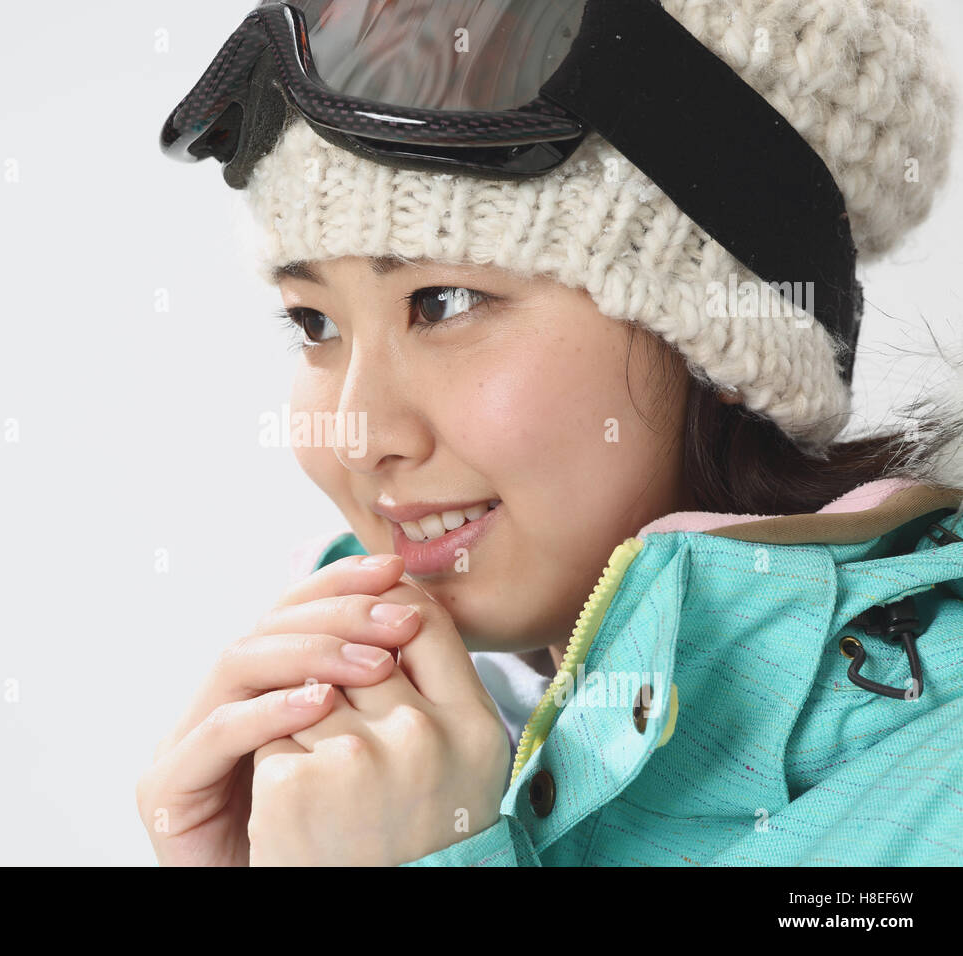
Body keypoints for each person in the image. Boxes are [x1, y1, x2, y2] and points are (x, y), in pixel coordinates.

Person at [137, 0, 963, 865]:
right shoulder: (363, 768)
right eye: (313, 323)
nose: (356, 436)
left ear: (723, 340)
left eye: (442, 302)